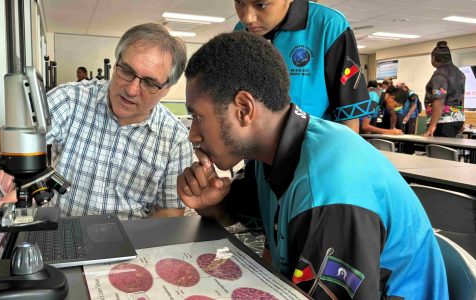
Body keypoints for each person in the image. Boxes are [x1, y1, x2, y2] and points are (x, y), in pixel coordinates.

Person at [178, 32, 447, 299]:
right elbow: (248, 217)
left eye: (198, 116)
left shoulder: (328, 189)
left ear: (244, 109)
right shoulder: (272, 153)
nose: (193, 134)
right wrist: (212, 204)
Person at [0, 23, 193, 219]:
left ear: (166, 89)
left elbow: (170, 210)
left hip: (130, 248)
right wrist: (15, 153)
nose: (131, 90)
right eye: (127, 71)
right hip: (60, 234)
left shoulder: (175, 139)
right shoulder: (70, 99)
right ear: (116, 64)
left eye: (149, 82)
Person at [233, 0, 371, 133]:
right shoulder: (241, 31)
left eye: (261, 4)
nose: (247, 18)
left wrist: (345, 156)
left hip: (311, 147)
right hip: (255, 146)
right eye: (239, 2)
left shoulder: (329, 25)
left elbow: (348, 112)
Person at [423, 41, 466, 137]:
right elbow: (462, 97)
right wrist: (461, 118)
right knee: (446, 149)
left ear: (433, 58)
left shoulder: (440, 74)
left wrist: (432, 124)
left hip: (442, 121)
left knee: (437, 150)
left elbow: (439, 99)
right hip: (457, 118)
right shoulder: (460, 73)